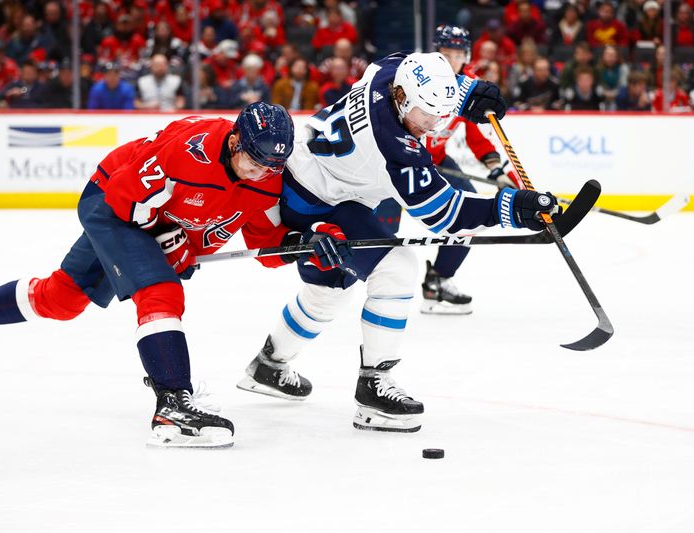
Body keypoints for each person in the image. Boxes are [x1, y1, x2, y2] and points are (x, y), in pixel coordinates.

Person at [0, 102, 351, 449]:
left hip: (148, 219)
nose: (261, 172)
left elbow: (265, 245)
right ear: (236, 140)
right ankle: (173, 406)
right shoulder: (190, 150)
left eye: (271, 167)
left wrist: (310, 242)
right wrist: (173, 243)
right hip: (112, 203)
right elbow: (126, 198)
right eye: (254, 161)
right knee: (160, 290)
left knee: (63, 299)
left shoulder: (267, 178)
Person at [234, 50, 558, 433]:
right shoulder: (396, 147)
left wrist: (465, 89)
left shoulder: (387, 74)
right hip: (317, 201)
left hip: (306, 181)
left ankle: (268, 366)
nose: (435, 125)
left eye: (442, 113)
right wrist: (508, 207)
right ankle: (374, 386)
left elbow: (411, 58)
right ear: (403, 99)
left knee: (331, 287)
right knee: (397, 269)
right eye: (427, 115)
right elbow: (445, 215)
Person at [421, 25, 519, 315]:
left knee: (468, 217)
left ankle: (438, 281)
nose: (451, 61)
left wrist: (498, 172)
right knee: (381, 228)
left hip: (437, 161)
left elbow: (476, 136)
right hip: (396, 161)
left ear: (466, 57)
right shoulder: (418, 76)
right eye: (445, 54)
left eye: (457, 55)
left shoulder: (468, 87)